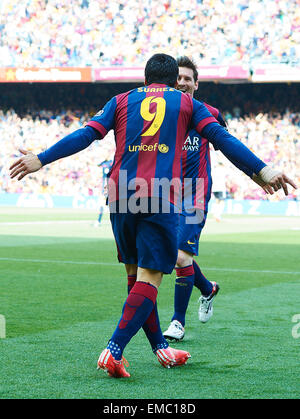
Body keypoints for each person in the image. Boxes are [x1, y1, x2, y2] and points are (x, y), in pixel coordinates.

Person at [9, 53, 297, 379]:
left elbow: (86, 135)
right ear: (176, 82)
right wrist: (262, 170)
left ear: (144, 79)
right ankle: (113, 350)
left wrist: (42, 159)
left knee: (136, 279)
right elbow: (222, 139)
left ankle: (161, 348)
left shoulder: (120, 100)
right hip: (160, 193)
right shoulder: (186, 103)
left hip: (119, 195)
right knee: (151, 279)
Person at [163, 56, 274, 342]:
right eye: (178, 78)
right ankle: (208, 288)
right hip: (166, 193)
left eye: (188, 78)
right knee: (173, 256)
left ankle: (177, 322)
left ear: (196, 84)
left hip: (195, 194)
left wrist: (257, 176)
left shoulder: (208, 113)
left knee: (180, 255)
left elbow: (227, 146)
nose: (182, 82)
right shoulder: (162, 114)